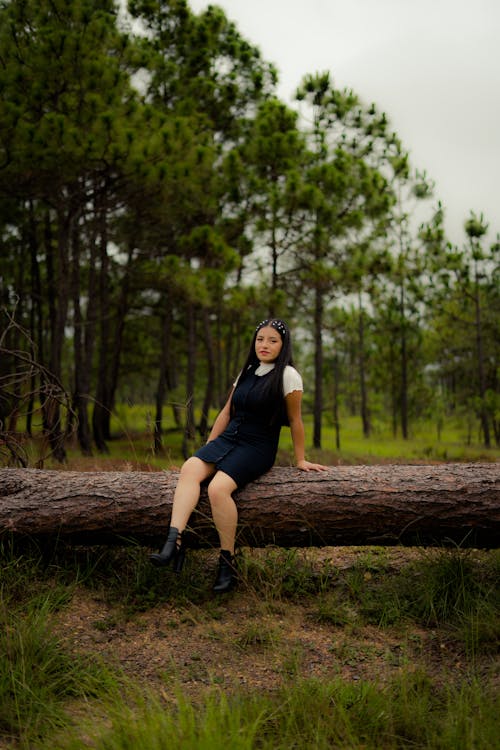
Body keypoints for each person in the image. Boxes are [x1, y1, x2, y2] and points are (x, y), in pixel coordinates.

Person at [149, 318, 328, 592]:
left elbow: (295, 420)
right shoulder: (247, 370)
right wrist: (208, 447)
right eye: (260, 339)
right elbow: (226, 412)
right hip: (229, 439)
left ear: (283, 345)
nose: (264, 345)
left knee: (218, 489)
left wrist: (300, 459)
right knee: (190, 468)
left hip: (257, 447)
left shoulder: (288, 375)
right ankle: (174, 541)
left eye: (272, 340)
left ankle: (227, 561)